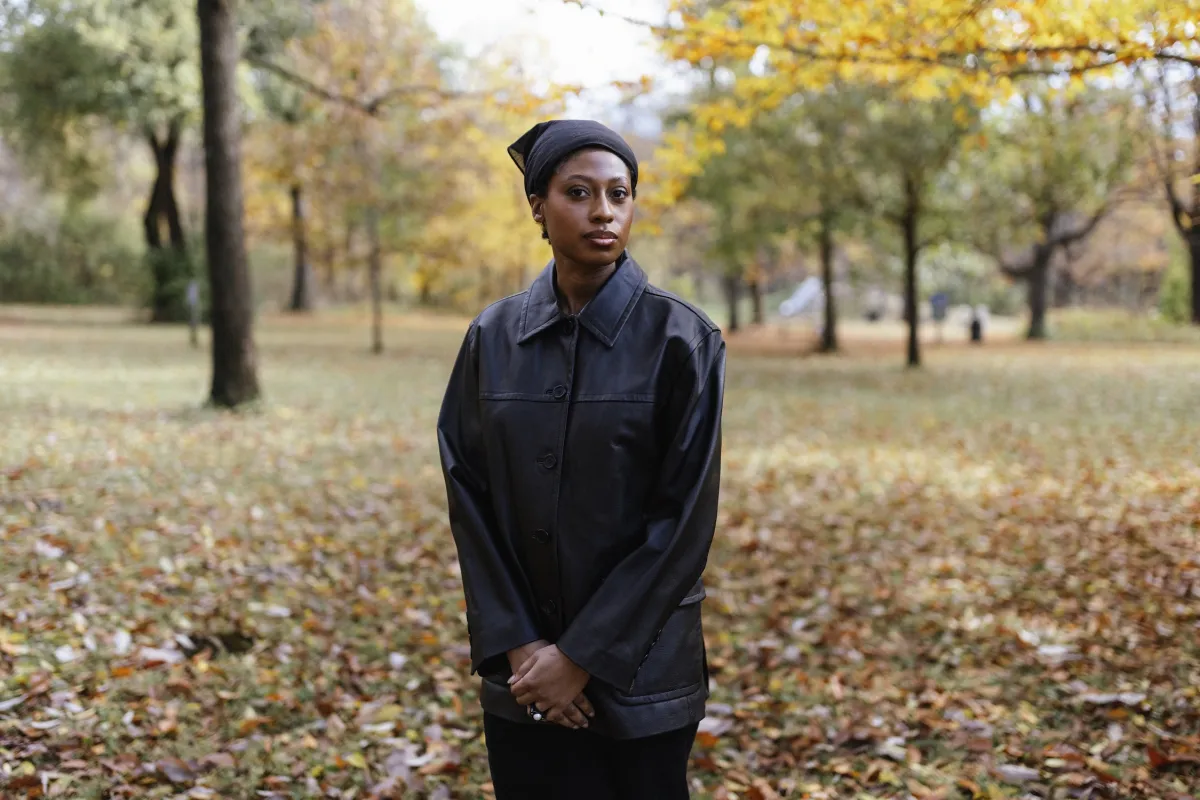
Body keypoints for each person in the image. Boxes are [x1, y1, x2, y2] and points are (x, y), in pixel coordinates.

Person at [436, 119, 725, 799]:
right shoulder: (491, 336)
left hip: (645, 676)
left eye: (619, 194)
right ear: (537, 205)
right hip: (524, 677)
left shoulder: (683, 339)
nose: (603, 211)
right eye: (579, 192)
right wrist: (524, 651)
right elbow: (468, 499)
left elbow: (682, 524)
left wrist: (580, 659)